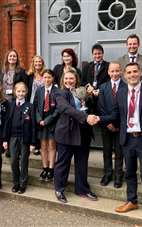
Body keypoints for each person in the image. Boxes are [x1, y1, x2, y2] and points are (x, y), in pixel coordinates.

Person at [88, 62, 142, 223]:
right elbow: (115, 114)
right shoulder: (121, 93)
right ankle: (132, 201)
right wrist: (100, 118)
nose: (132, 75)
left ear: (140, 73)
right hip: (127, 139)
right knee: (129, 173)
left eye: (135, 71)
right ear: (125, 75)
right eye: (129, 72)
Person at [53, 68, 97, 203]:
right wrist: (85, 117)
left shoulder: (81, 91)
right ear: (62, 80)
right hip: (66, 133)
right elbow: (65, 108)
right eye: (66, 78)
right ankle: (59, 189)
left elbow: (89, 107)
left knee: (82, 163)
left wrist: (92, 96)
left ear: (76, 79)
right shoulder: (60, 93)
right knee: (63, 163)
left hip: (83, 132)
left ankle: (82, 189)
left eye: (71, 78)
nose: (69, 81)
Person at [2, 82, 36, 194]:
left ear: (26, 92)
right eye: (18, 91)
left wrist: (33, 143)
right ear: (15, 92)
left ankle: (22, 184)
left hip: (25, 138)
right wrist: (5, 140)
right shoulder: (10, 105)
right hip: (12, 137)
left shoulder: (29, 106)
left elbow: (33, 126)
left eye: (23, 91)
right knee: (13, 161)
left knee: (24, 161)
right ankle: (15, 183)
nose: (21, 93)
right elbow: (6, 123)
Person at [97, 62, 124, 188]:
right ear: (108, 72)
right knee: (106, 151)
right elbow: (100, 107)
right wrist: (108, 122)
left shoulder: (126, 86)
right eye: (112, 71)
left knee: (119, 152)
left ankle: (118, 175)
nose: (114, 73)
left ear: (121, 71)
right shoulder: (103, 87)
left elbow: (124, 109)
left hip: (120, 126)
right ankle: (107, 174)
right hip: (106, 126)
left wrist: (116, 124)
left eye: (117, 71)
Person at [34, 69, 59, 182]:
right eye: (45, 77)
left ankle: (51, 169)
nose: (47, 79)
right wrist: (39, 119)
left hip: (52, 122)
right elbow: (35, 107)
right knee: (43, 146)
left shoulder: (57, 91)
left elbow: (58, 109)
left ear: (52, 78)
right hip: (41, 123)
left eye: (49, 77)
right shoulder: (39, 90)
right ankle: (45, 168)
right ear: (42, 78)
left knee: (52, 146)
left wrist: (48, 120)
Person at [81, 43, 110, 113]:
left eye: (99, 53)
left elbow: (110, 81)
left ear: (103, 54)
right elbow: (83, 81)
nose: (97, 56)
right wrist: (88, 87)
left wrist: (100, 90)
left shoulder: (108, 65)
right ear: (92, 54)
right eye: (95, 54)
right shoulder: (87, 66)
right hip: (89, 97)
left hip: (103, 97)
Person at [26, 55, 46, 156]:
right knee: (31, 123)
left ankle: (39, 145)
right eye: (36, 62)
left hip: (42, 103)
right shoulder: (29, 75)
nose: (37, 64)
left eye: (39, 62)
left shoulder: (45, 75)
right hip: (31, 102)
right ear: (33, 63)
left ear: (42, 63)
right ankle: (33, 144)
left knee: (40, 124)